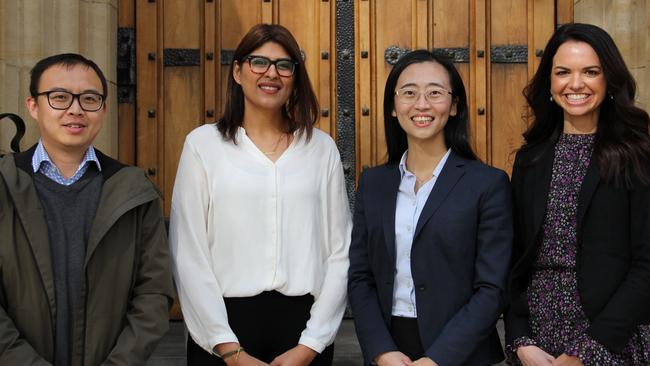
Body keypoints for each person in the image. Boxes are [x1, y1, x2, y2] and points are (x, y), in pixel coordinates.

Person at [169, 24, 351, 366]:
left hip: (302, 331)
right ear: (237, 72)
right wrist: (228, 349)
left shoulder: (320, 149)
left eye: (284, 65)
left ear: (295, 76)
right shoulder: (203, 145)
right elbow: (188, 252)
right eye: (259, 62)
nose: (272, 74)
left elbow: (340, 252)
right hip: (224, 330)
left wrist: (311, 344)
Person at [0, 53, 173, 365]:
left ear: (103, 109)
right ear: (33, 106)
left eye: (89, 98)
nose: (75, 109)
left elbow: (153, 293)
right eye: (59, 97)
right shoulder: (4, 184)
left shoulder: (133, 191)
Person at [348, 49, 513, 366]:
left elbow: (492, 287)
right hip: (389, 351)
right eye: (409, 93)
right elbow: (360, 277)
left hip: (462, 354)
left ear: (453, 106)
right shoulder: (373, 183)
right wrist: (381, 350)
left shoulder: (487, 184)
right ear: (394, 107)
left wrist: (438, 358)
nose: (421, 104)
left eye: (435, 93)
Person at [505, 23, 650, 366]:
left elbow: (647, 264)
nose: (575, 84)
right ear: (550, 83)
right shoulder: (531, 159)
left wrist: (586, 352)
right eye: (563, 72)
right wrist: (519, 339)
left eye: (590, 72)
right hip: (536, 346)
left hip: (612, 341)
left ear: (609, 80)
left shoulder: (637, 157)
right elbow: (514, 260)